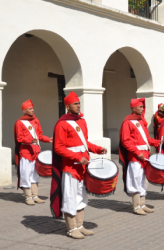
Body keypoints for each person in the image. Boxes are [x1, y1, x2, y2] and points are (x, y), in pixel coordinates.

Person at [50, 91, 107, 239]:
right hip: (70, 167)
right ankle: (71, 228)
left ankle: (80, 225)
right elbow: (58, 147)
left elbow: (84, 142)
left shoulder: (82, 121)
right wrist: (76, 156)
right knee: (70, 197)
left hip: (83, 166)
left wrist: (97, 149)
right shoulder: (62, 123)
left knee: (81, 196)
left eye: (79, 103)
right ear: (67, 106)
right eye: (75, 104)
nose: (78, 106)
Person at [119, 98, 161, 215]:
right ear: (133, 108)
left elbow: (146, 139)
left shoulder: (141, 121)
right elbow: (125, 141)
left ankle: (142, 203)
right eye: (140, 107)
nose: (143, 109)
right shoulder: (127, 122)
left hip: (145, 155)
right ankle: (136, 206)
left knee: (144, 180)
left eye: (143, 107)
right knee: (135, 180)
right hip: (135, 156)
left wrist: (157, 142)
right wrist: (137, 152)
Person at [14, 99, 51, 205]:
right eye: (30, 109)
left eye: (32, 108)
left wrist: (48, 139)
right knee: (26, 174)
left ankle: (35, 195)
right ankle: (27, 197)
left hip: (36, 152)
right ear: (24, 110)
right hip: (25, 152)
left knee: (35, 174)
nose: (32, 110)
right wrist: (30, 140)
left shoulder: (35, 120)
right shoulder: (19, 122)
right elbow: (19, 138)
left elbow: (39, 136)